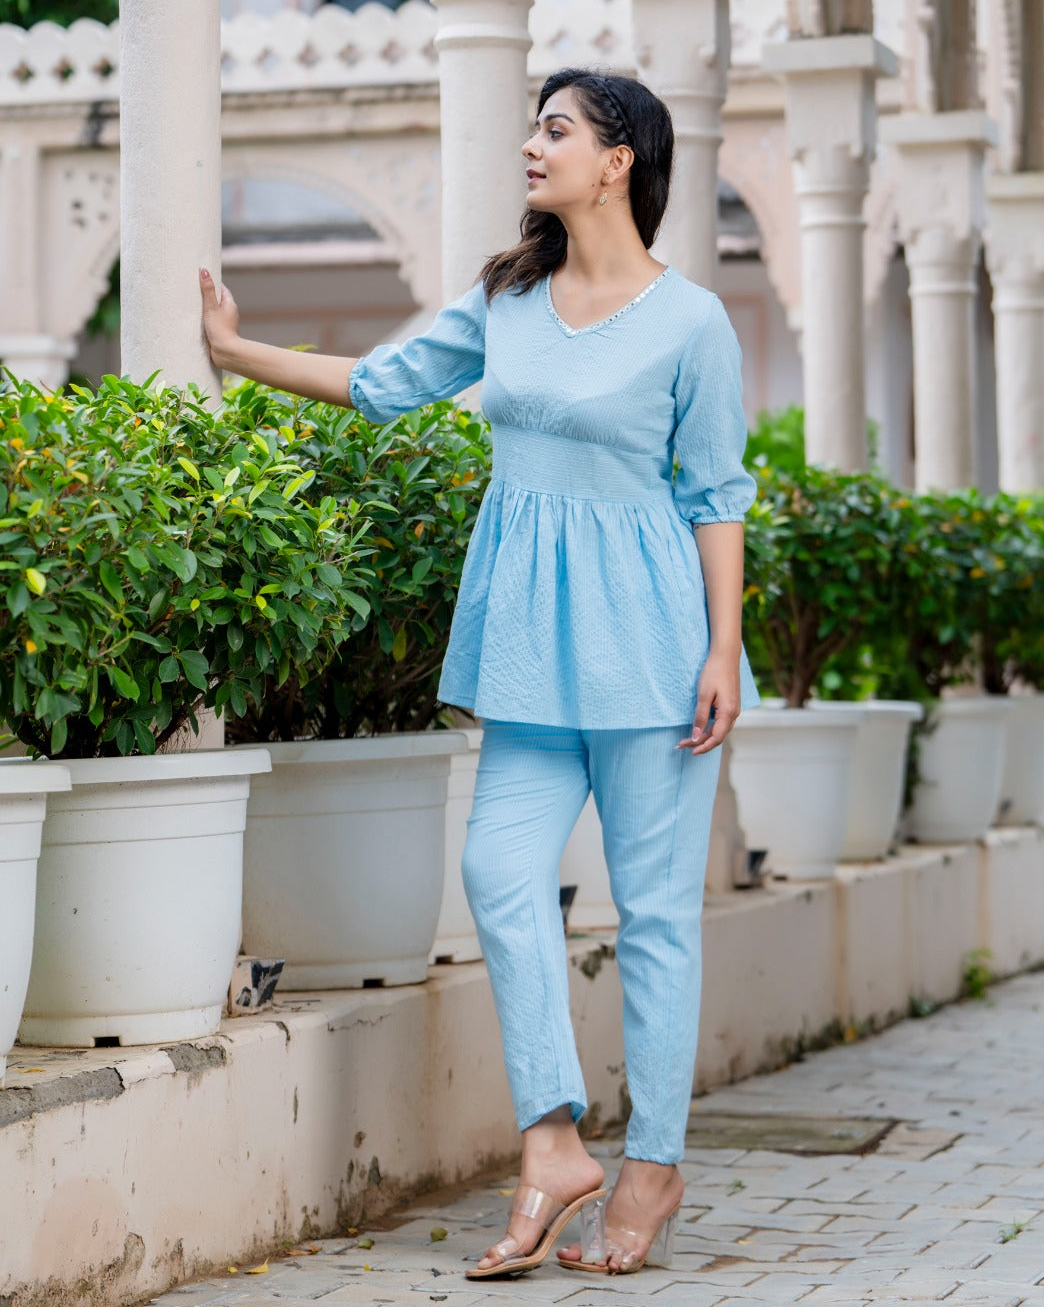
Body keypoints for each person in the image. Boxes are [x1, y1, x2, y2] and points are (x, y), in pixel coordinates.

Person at [199, 66, 758, 1280]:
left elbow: (716, 496)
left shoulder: (688, 323)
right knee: (499, 872)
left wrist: (721, 648)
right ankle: (554, 1141)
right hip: (530, 657)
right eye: (531, 127)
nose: (530, 145)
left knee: (654, 918)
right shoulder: (505, 298)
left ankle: (652, 1166)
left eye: (554, 129)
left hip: (657, 655)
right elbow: (381, 388)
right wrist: (234, 349)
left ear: (618, 160)